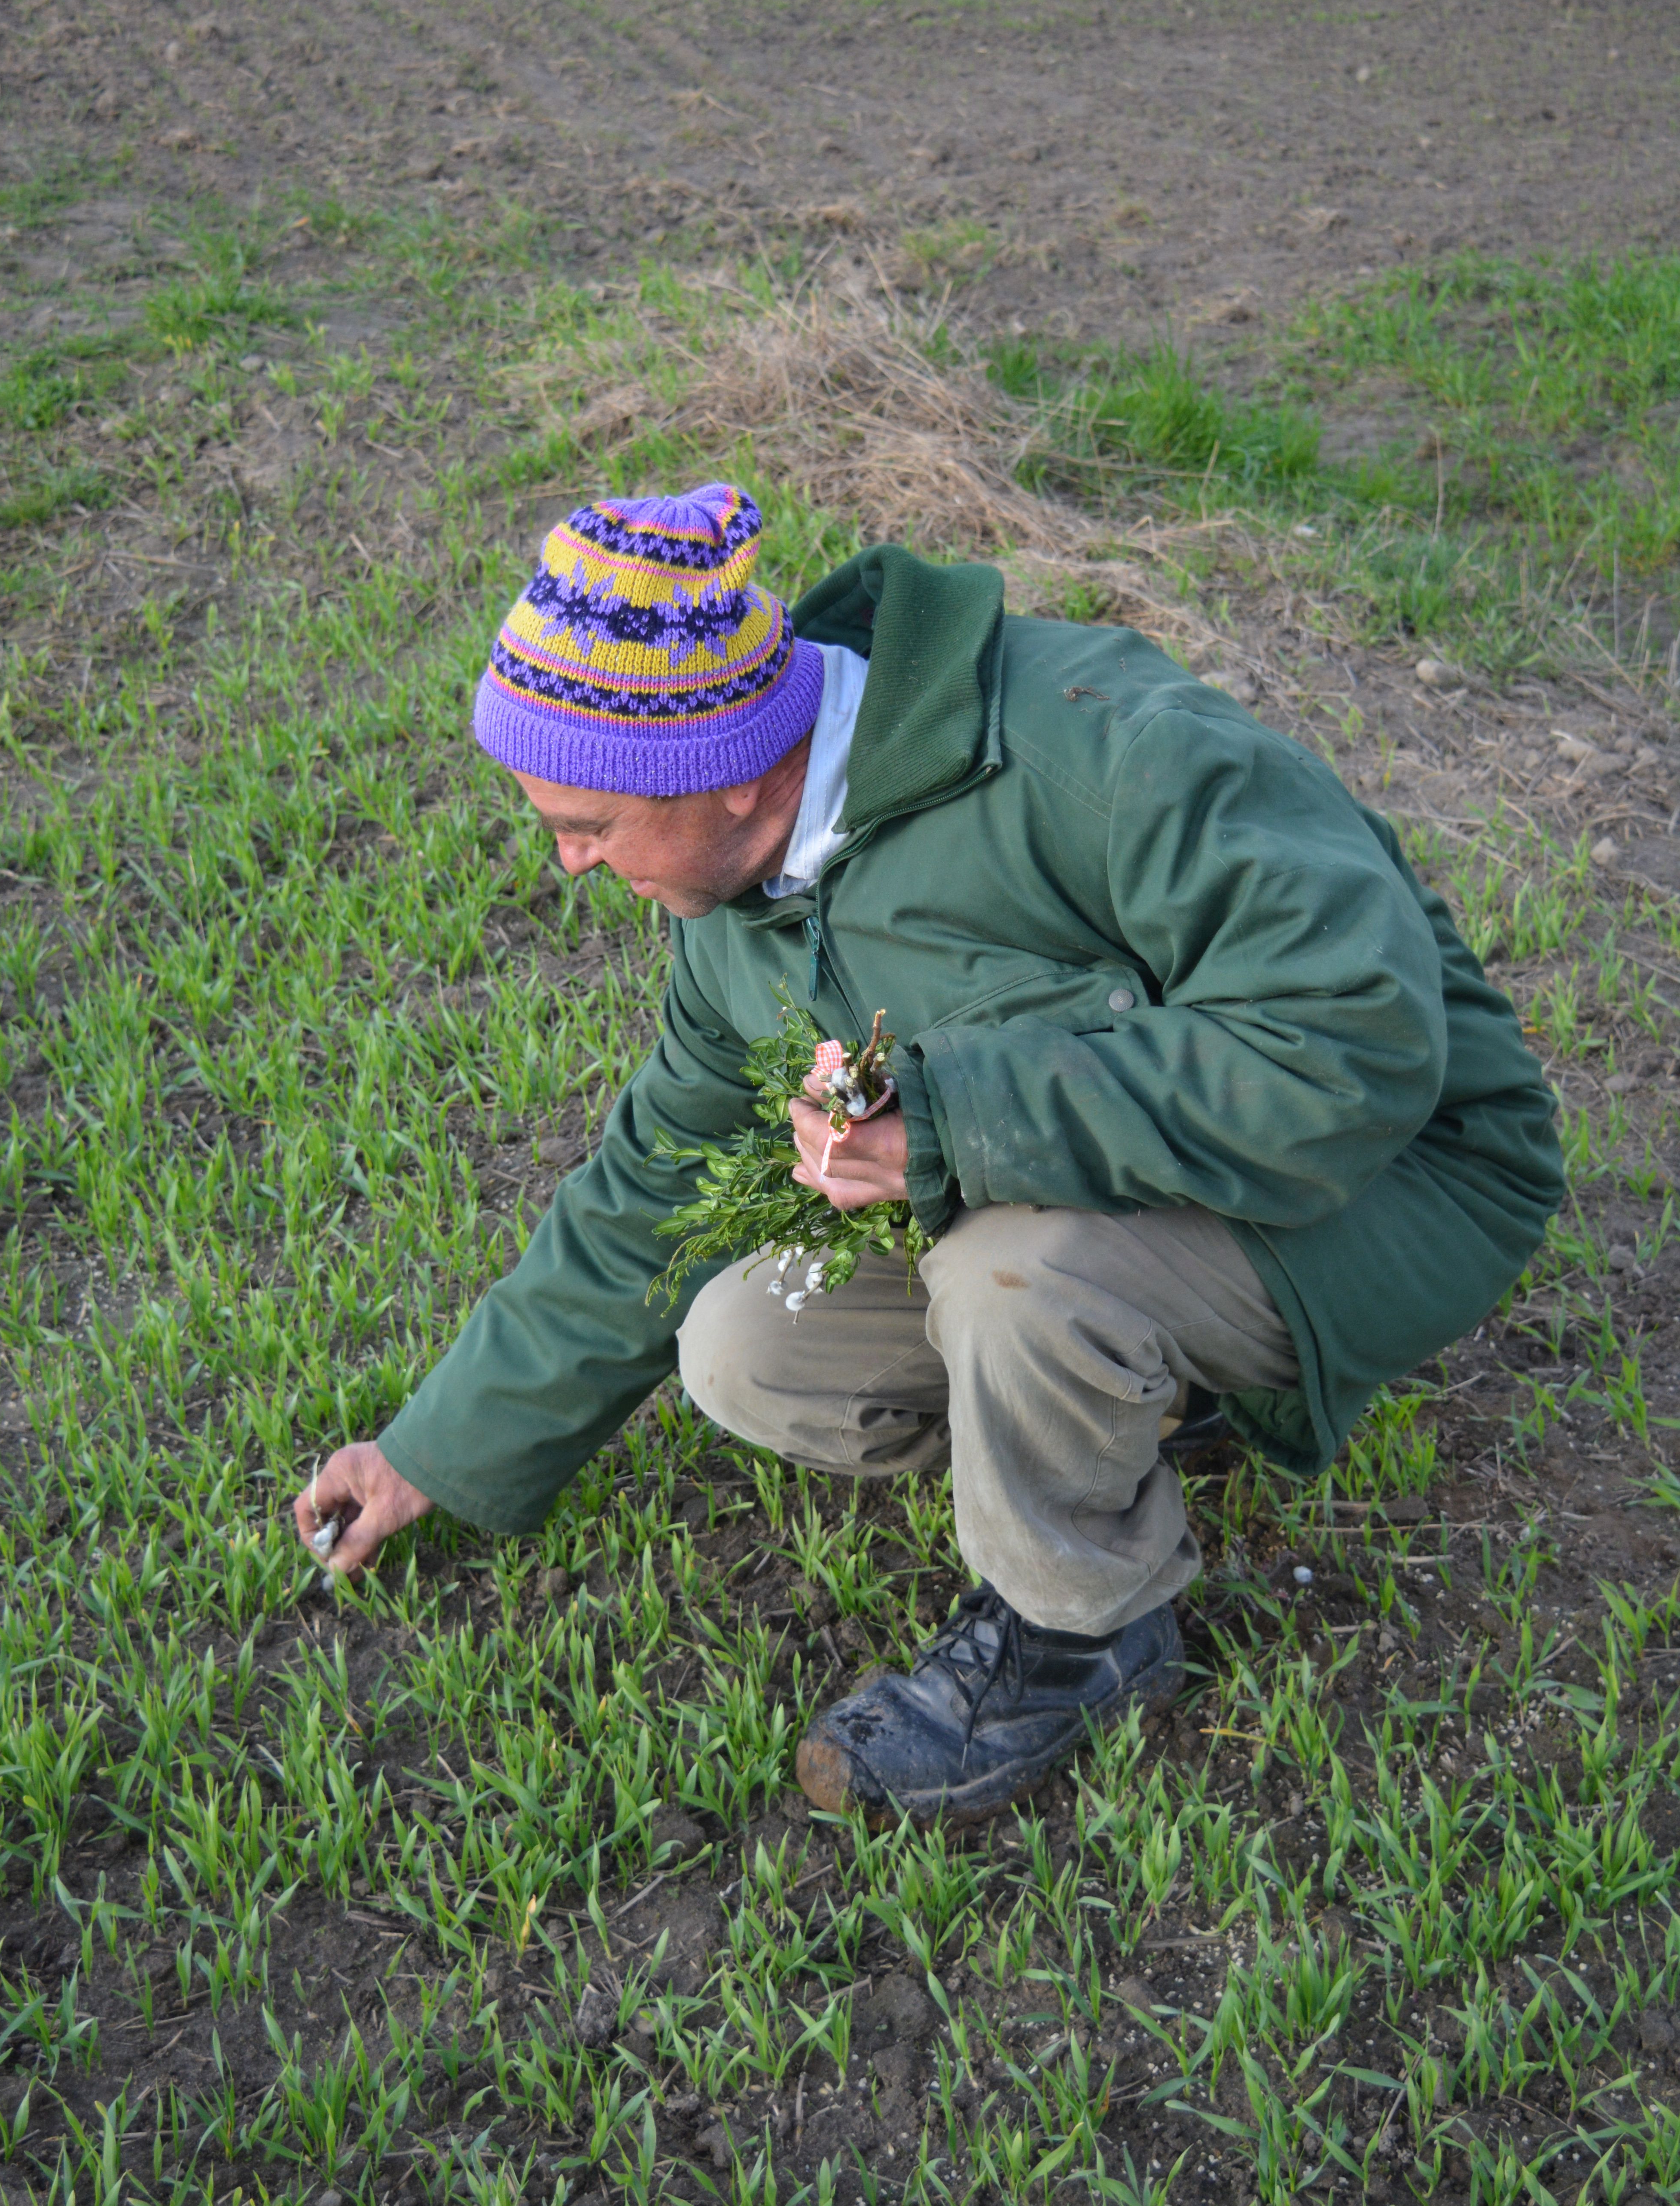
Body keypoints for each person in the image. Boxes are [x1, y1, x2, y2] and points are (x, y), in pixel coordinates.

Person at [293, 482, 1563, 1825]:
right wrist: (435, 1448)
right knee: (746, 1346)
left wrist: (960, 1121)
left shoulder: (1100, 748)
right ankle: (1141, 1390)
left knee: (1016, 1271)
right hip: (1173, 1188)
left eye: (589, 824)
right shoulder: (734, 898)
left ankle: (1079, 1632)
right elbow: (651, 1186)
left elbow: (1354, 1046)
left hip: (1406, 1175)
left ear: (730, 774)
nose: (567, 862)